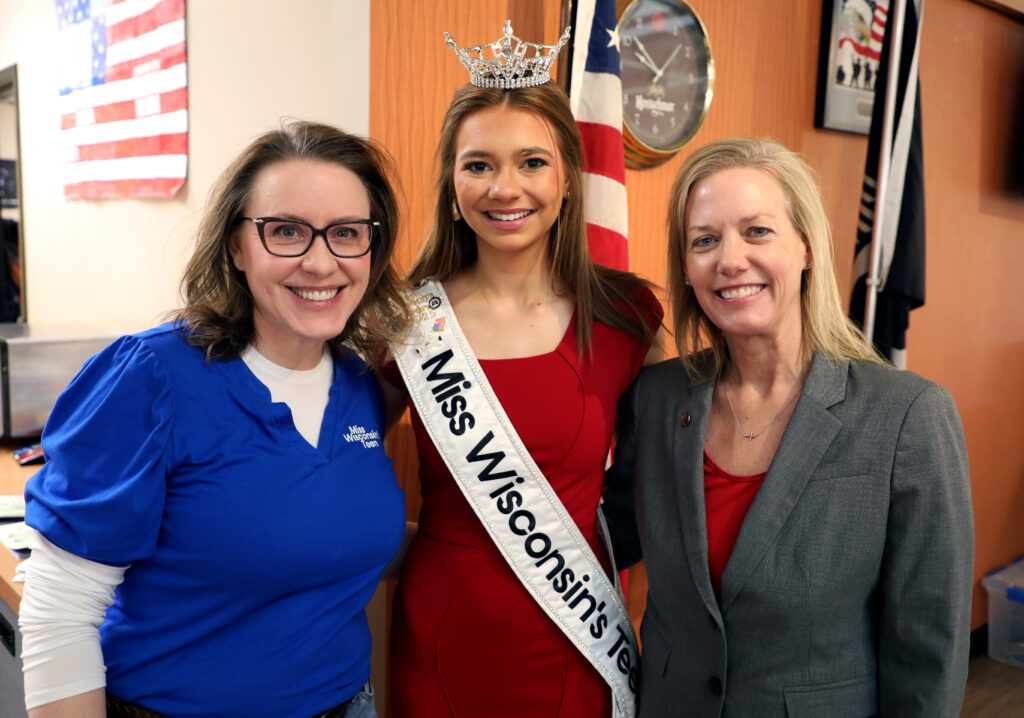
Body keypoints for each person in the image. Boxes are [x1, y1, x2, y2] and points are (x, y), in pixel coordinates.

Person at [18, 121, 411, 718]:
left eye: (347, 234)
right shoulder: (152, 377)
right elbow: (61, 606)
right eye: (286, 232)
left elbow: (324, 539)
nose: (319, 261)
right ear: (236, 246)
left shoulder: (361, 385)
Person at [603, 137, 974, 717]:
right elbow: (600, 536)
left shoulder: (908, 415)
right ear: (687, 267)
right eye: (705, 240)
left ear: (805, 247)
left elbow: (928, 650)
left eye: (757, 232)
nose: (729, 260)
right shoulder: (655, 398)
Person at [384, 21, 662, 718]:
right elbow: (334, 458)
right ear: (452, 182)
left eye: (532, 162)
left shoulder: (628, 316)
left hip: (575, 627)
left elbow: (660, 477)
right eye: (479, 164)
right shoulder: (405, 324)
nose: (505, 188)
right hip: (444, 631)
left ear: (569, 179)